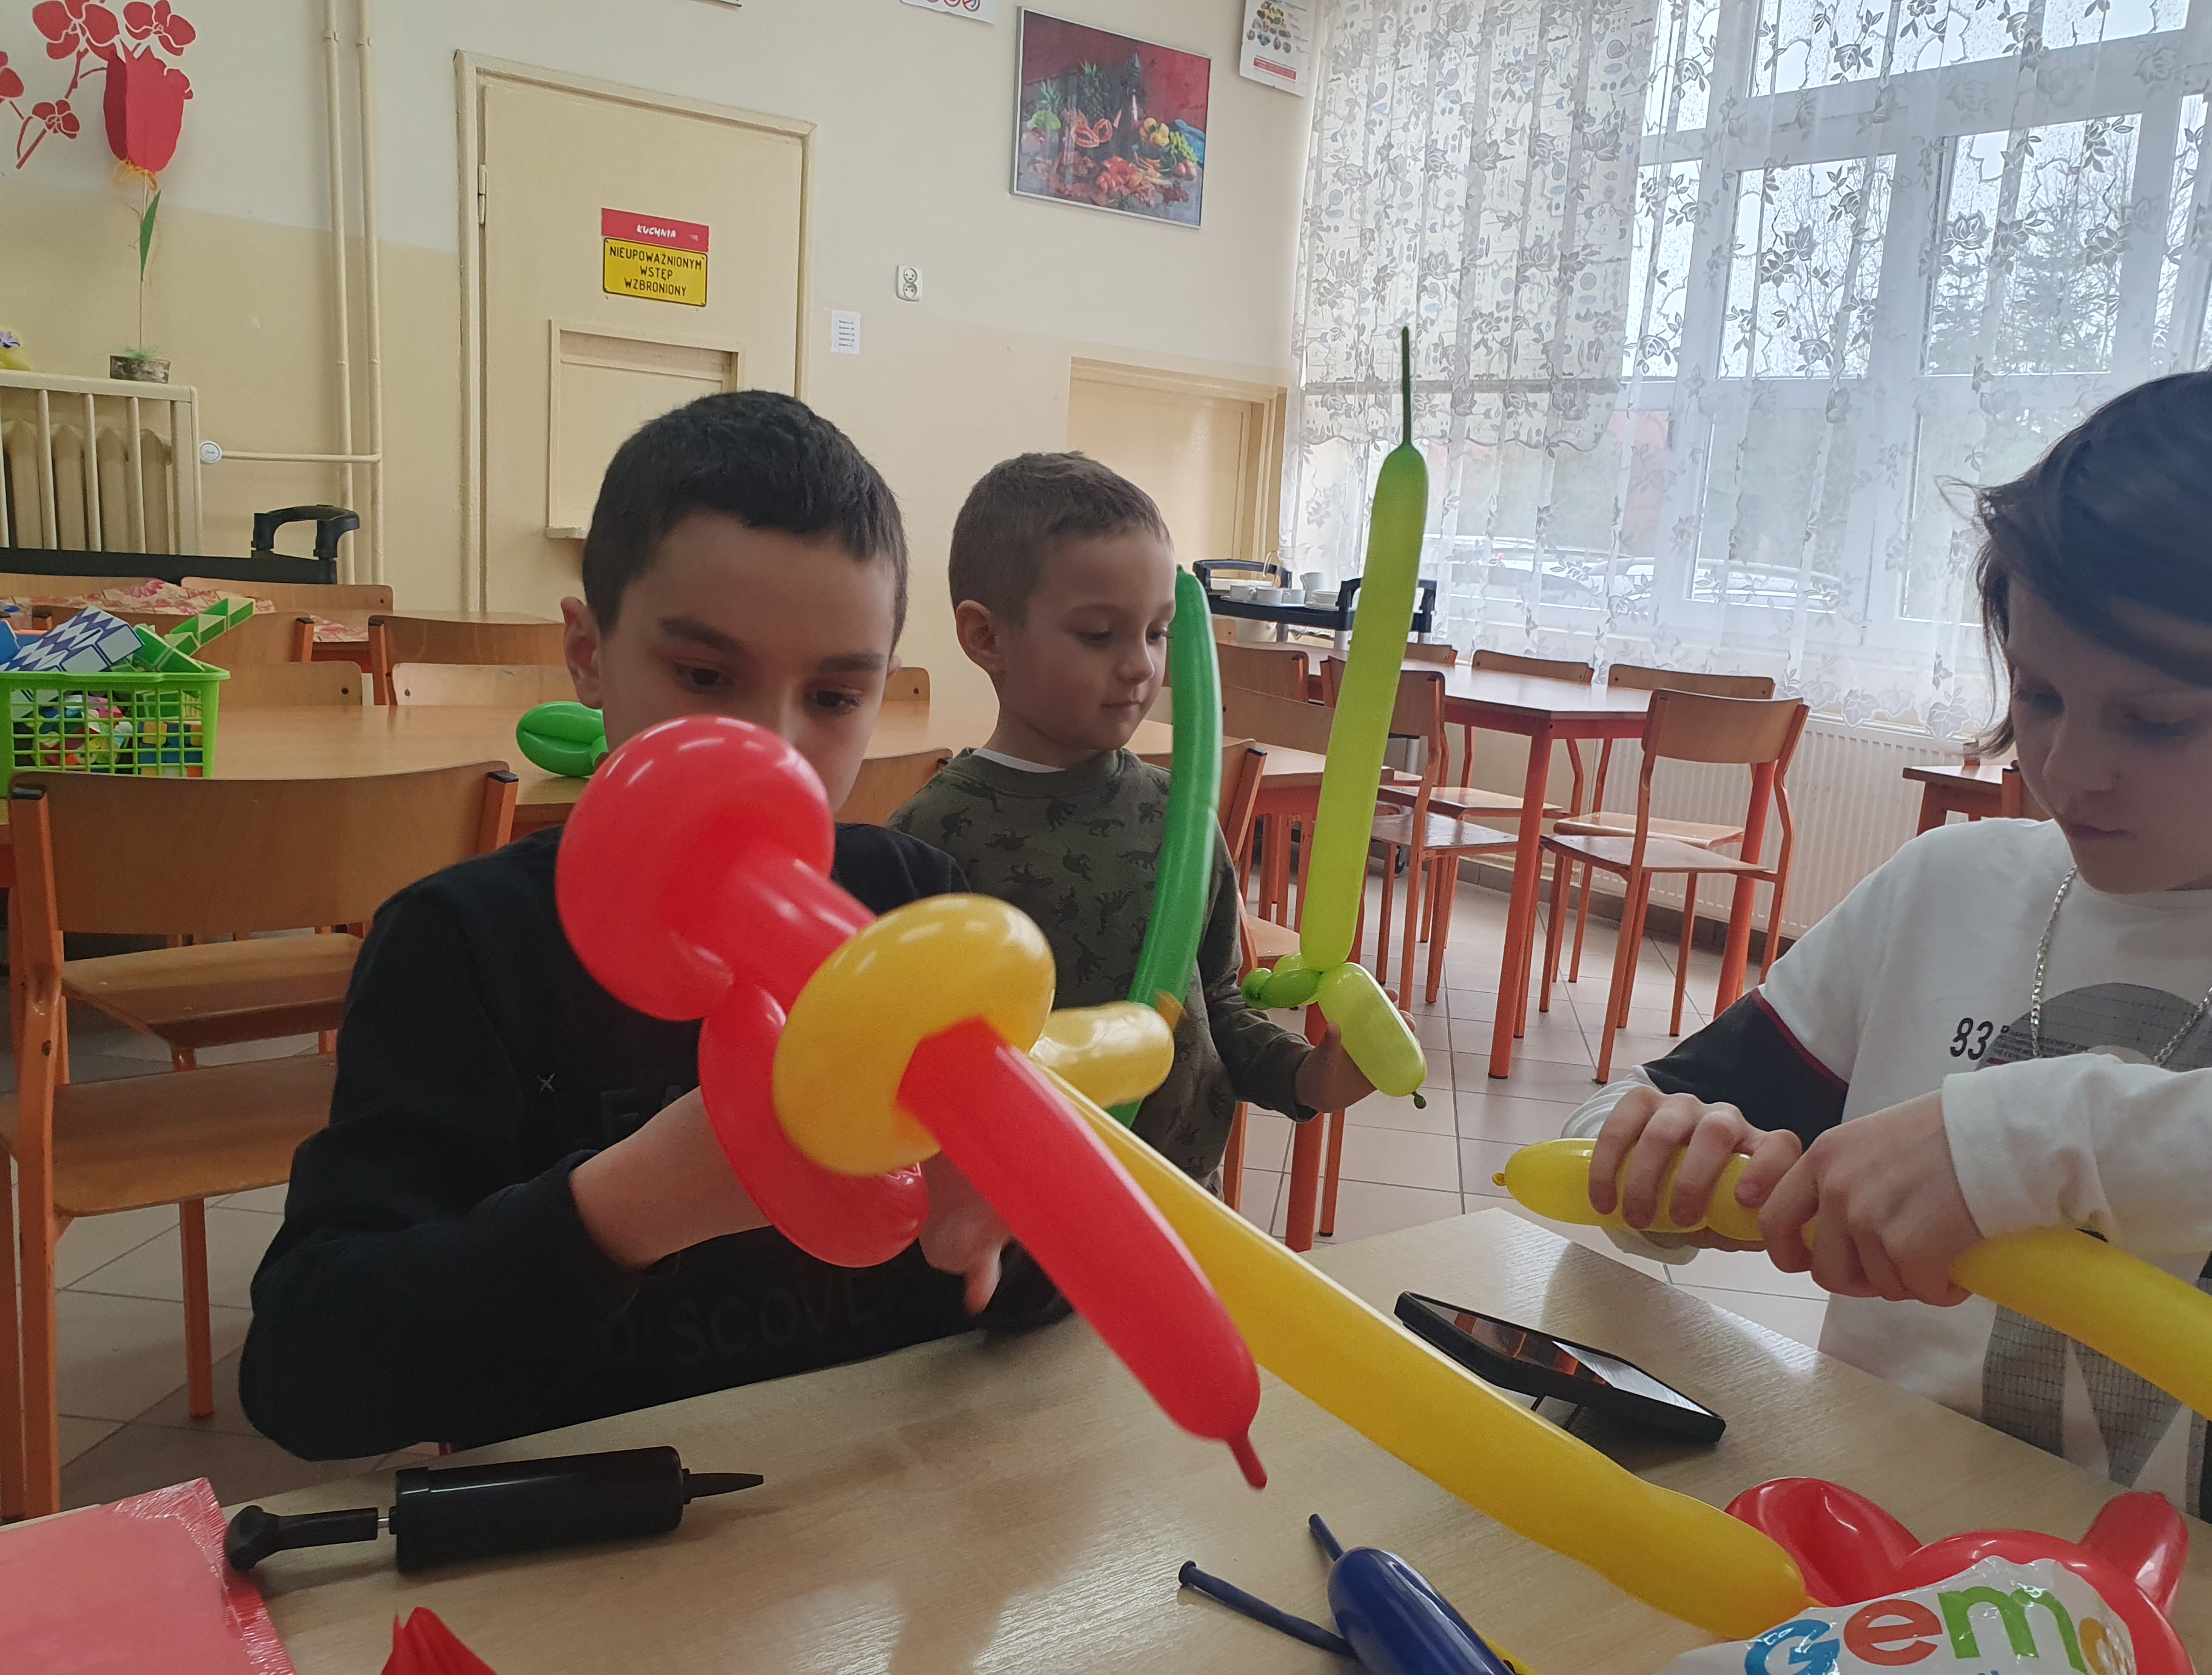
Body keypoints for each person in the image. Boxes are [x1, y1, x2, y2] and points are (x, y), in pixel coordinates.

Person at [1565, 353, 2212, 1612]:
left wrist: (2062, 1128)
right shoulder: (1947, 888)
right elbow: (1616, 1119)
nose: (2065, 767)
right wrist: (1659, 1159)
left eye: (2156, 721)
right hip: (1884, 1616)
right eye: (2037, 692)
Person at [243, 392, 1044, 1460]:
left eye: (834, 697)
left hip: (882, 1504)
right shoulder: (463, 943)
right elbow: (305, 1373)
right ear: (587, 654)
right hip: (590, 1523)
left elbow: (1047, 1302)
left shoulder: (913, 906)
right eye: (705, 677)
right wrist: (634, 1204)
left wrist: (1010, 1218)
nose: (770, 749)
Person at [889, 452, 1374, 1189]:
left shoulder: (1181, 819)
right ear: (987, 637)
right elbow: (906, 1066)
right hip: (1012, 1222)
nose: (1143, 666)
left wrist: (1309, 1077)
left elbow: (1214, 1005)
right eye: (1099, 635)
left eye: (1157, 632)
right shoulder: (930, 840)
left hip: (1182, 1201)